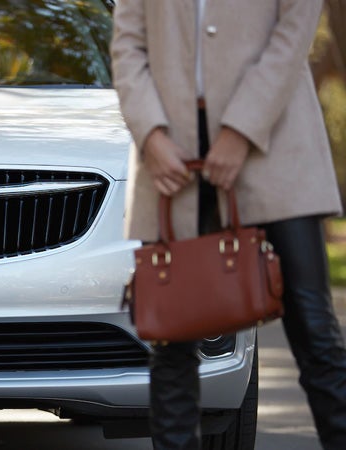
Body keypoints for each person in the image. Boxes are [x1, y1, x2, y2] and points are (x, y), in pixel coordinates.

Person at [111, 1, 346, 449]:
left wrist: (241, 130)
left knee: (315, 334)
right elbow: (127, 46)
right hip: (172, 161)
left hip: (275, 147)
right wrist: (151, 135)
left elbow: (294, 31)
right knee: (172, 343)